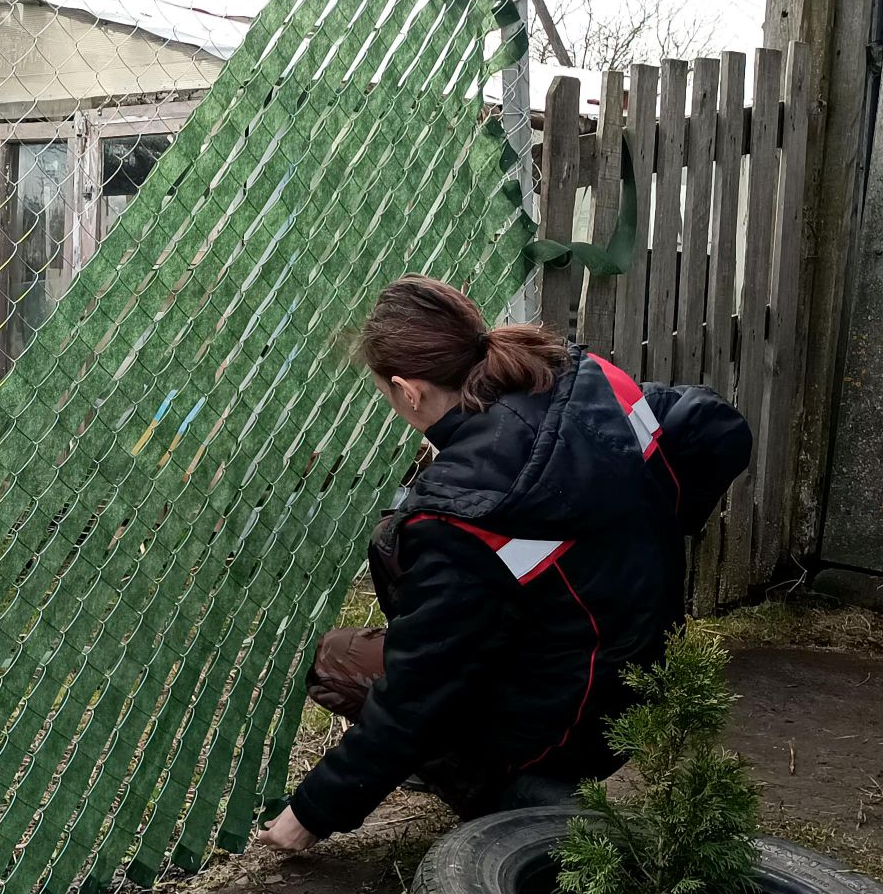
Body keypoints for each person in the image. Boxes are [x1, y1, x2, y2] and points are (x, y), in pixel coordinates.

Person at [257, 275, 750, 851]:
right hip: (644, 673)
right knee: (445, 651)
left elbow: (420, 693)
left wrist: (311, 814)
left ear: (407, 391)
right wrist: (650, 524)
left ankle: (525, 802)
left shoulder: (460, 512)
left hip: (570, 720)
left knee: (339, 662)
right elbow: (717, 427)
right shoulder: (587, 382)